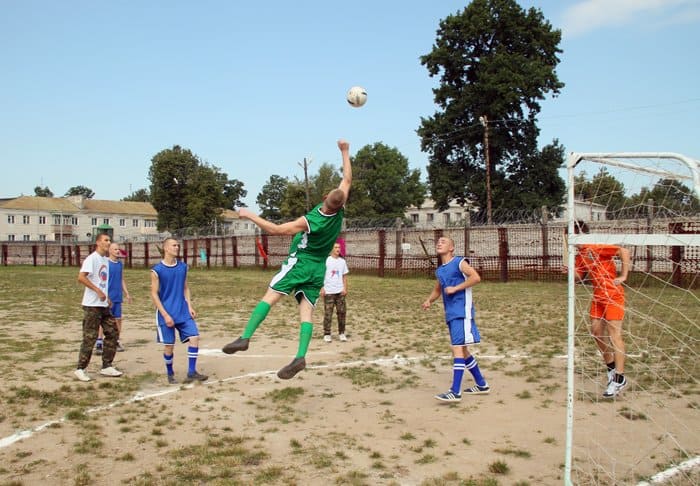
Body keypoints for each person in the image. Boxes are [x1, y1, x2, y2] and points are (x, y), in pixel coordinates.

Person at [222, 139, 352, 379]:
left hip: (300, 262)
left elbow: (276, 229)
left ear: (324, 197)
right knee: (306, 311)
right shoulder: (339, 211)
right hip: (318, 268)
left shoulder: (312, 220)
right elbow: (347, 179)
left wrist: (249, 215)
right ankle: (300, 356)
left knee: (270, 296)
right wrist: (345, 151)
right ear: (341, 202)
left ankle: (245, 337)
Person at [422, 236, 489, 402]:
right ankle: (481, 384)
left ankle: (455, 391)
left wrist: (456, 288)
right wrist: (429, 300)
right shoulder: (440, 270)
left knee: (457, 349)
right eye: (438, 242)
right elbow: (438, 290)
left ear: (451, 248)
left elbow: (476, 277)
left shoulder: (459, 262)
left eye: (443, 242)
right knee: (463, 351)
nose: (439, 243)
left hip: (461, 311)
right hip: (451, 314)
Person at [573, 221, 630, 398]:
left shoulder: (596, 246)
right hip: (598, 296)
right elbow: (578, 276)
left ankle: (619, 378)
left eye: (569, 233)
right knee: (596, 332)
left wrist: (623, 275)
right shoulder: (580, 254)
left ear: (578, 234)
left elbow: (623, 251)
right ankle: (611, 368)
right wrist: (569, 271)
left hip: (613, 295)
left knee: (614, 335)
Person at [150, 237, 208, 384]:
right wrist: (165, 315)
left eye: (177, 245)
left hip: (182, 311)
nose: (177, 247)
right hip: (166, 312)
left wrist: (189, 306)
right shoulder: (157, 270)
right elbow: (154, 294)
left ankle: (191, 372)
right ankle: (170, 373)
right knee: (169, 346)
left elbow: (185, 288)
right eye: (174, 245)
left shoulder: (183, 267)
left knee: (194, 337)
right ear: (166, 248)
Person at [74, 233, 124, 381]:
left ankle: (107, 366)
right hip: (92, 305)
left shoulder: (105, 260)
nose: (108, 243)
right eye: (105, 240)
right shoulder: (92, 259)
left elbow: (102, 281)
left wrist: (106, 297)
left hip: (103, 304)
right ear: (98, 242)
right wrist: (97, 291)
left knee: (113, 332)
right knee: (90, 337)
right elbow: (81, 277)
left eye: (109, 240)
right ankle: (81, 368)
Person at [96, 242, 131, 354]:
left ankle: (116, 340)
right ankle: (99, 341)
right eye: (115, 249)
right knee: (104, 320)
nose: (118, 251)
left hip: (117, 297)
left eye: (118, 249)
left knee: (118, 319)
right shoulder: (105, 263)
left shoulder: (120, 264)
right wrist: (104, 295)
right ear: (110, 251)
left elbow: (121, 279)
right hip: (107, 297)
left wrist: (126, 293)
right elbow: (101, 280)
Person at [321, 241, 349, 342]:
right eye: (336, 247)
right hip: (329, 291)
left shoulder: (342, 262)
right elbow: (321, 275)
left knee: (342, 313)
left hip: (340, 291)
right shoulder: (326, 261)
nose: (338, 249)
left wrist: (345, 288)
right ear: (331, 249)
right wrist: (322, 288)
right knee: (328, 313)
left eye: (339, 247)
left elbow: (344, 276)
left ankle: (341, 333)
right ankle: (327, 334)